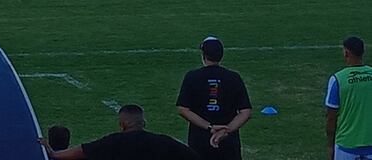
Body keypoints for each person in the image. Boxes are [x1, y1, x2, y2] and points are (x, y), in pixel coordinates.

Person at [177, 37, 252, 160]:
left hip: (200, 139)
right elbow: (246, 112)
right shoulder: (234, 77)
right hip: (229, 141)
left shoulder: (192, 77)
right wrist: (226, 131)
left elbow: (183, 110)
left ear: (204, 55)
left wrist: (210, 127)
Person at [42, 104, 198, 159]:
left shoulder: (113, 141)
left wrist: (53, 153)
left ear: (122, 124)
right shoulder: (164, 142)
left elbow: (82, 151)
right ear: (143, 122)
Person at [326, 36, 372, 160]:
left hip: (346, 146)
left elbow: (331, 117)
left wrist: (330, 145)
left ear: (346, 53)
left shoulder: (337, 79)